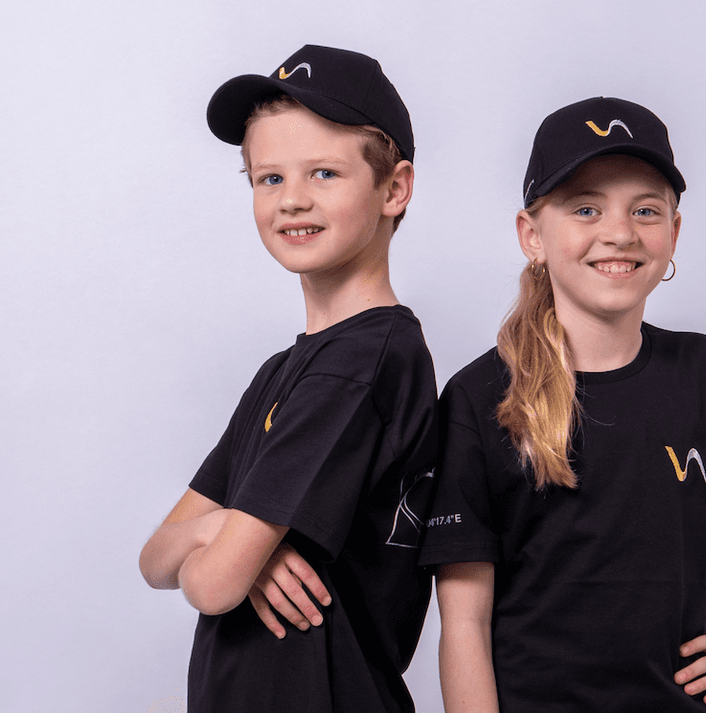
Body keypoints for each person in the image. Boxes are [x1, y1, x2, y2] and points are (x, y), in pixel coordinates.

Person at [418, 97, 706, 712]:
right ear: (532, 234)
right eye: (586, 208)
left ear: (674, 231)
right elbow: (464, 625)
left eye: (645, 210)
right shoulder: (481, 399)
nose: (619, 232)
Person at [139, 45, 437, 713]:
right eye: (267, 178)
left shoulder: (363, 361)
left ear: (394, 189)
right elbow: (155, 556)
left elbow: (213, 586)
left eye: (324, 172)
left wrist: (230, 545)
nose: (292, 199)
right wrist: (231, 536)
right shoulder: (286, 368)